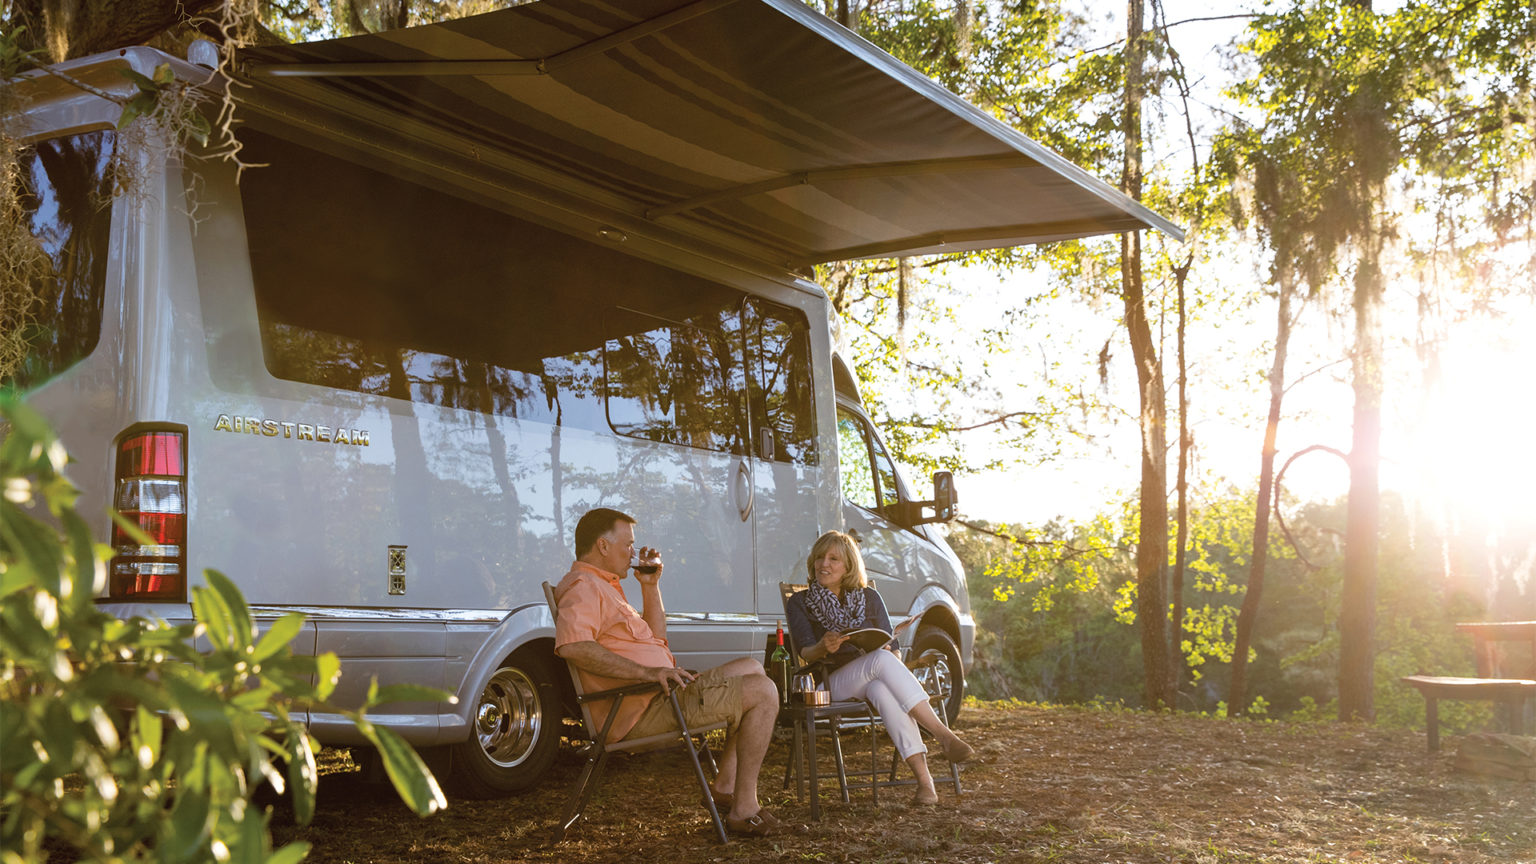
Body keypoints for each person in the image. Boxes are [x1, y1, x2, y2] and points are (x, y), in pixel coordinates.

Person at [553, 508, 793, 837]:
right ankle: (744, 809)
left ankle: (725, 786)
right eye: (628, 545)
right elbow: (574, 646)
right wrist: (647, 673)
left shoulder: (606, 586)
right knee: (764, 692)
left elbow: (657, 639)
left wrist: (650, 586)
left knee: (751, 668)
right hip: (638, 709)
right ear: (603, 546)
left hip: (660, 694)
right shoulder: (584, 587)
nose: (633, 554)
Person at [785, 530, 975, 806]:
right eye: (819, 557)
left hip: (873, 675)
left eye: (833, 559)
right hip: (828, 683)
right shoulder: (801, 602)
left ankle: (926, 785)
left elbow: (893, 651)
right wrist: (823, 646)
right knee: (881, 662)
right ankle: (942, 734)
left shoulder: (869, 598)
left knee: (882, 688)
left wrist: (886, 648)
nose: (823, 564)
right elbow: (805, 652)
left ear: (849, 566)